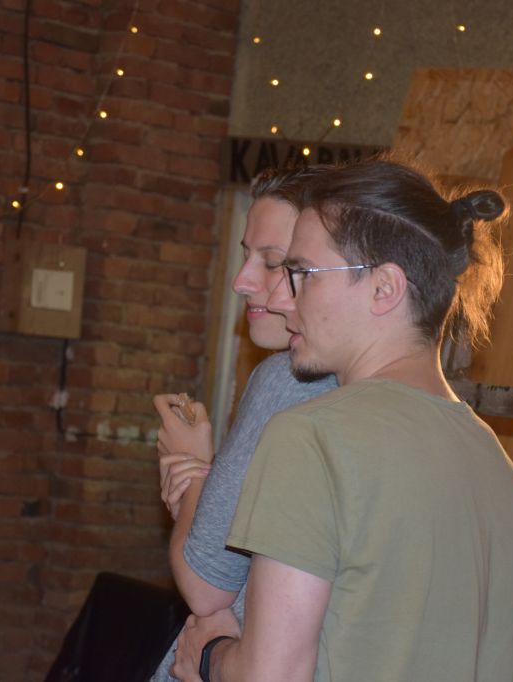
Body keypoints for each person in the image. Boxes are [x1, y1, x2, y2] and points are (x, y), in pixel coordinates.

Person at [172, 158, 513, 681]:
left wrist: (211, 655)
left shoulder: (312, 438)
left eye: (302, 274)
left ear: (384, 287)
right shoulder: (506, 479)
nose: (282, 298)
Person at [150, 167, 336, 681]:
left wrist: (192, 469)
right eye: (245, 255)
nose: (242, 281)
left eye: (274, 263)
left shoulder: (289, 377)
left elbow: (206, 584)